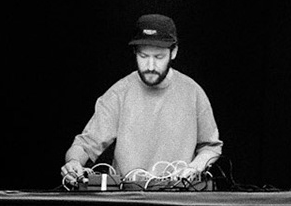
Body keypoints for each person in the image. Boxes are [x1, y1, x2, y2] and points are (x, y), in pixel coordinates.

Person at [62, 14, 223, 186]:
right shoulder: (118, 94)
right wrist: (73, 162)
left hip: (180, 197)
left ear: (173, 52)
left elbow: (211, 147)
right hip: (130, 199)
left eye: (159, 57)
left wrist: (195, 167)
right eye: (144, 56)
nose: (151, 66)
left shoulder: (193, 92)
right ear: (135, 53)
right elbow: (85, 145)